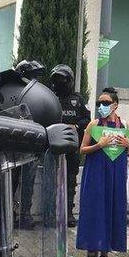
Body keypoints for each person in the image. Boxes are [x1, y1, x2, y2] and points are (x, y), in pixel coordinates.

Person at [77, 88, 129, 257]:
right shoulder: (94, 124)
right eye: (100, 102)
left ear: (115, 105)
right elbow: (82, 150)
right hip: (96, 173)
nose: (103, 106)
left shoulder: (123, 124)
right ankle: (90, 256)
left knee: (112, 210)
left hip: (116, 173)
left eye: (106, 103)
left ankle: (104, 256)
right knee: (95, 210)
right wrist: (99, 145)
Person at [49, 64, 90, 228]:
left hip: (72, 146)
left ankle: (68, 213)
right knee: (52, 179)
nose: (59, 82)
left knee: (71, 179)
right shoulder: (50, 98)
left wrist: (76, 126)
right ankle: (52, 213)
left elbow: (87, 119)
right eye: (56, 79)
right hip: (53, 145)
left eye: (62, 79)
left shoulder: (78, 100)